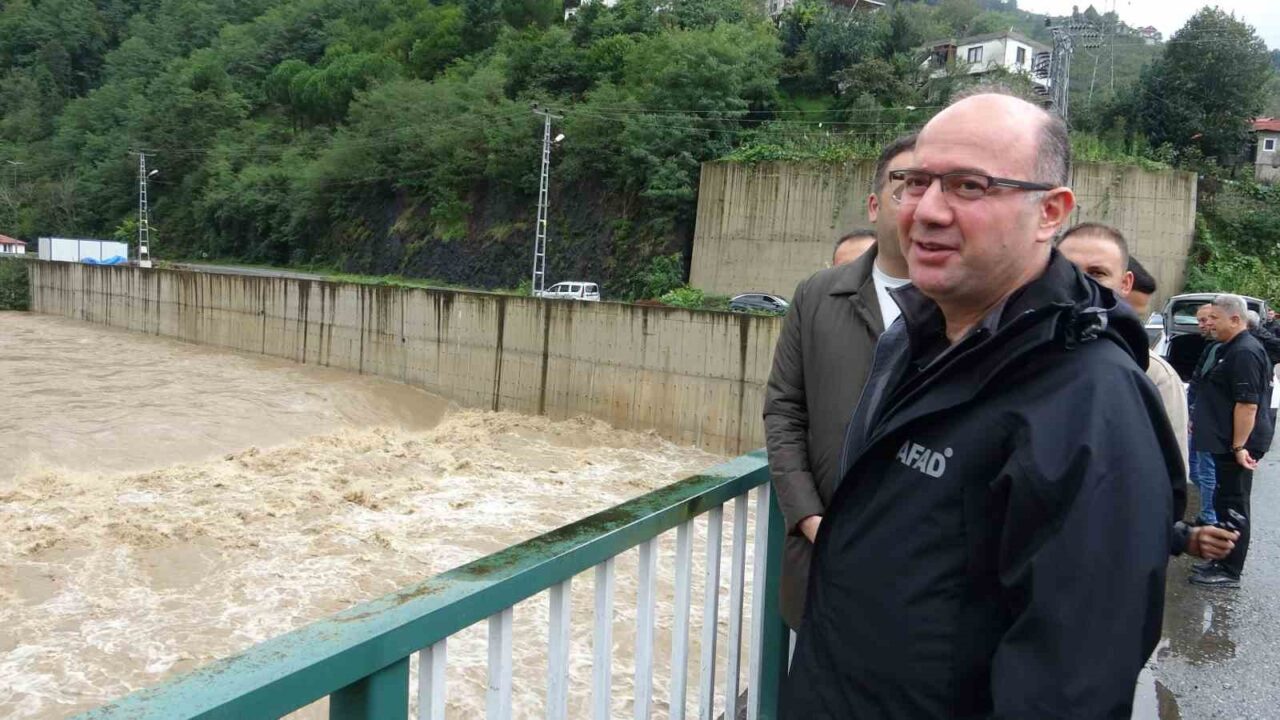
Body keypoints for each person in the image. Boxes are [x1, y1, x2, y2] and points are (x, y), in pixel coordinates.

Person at [786, 90, 1181, 718]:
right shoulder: (915, 337)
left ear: (1049, 212)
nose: (927, 212)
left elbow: (1068, 685)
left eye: (969, 186)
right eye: (916, 181)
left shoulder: (1091, 403)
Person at [764, 133, 915, 630]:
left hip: (919, 577)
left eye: (940, 186)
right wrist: (809, 519)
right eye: (906, 185)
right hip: (822, 562)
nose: (922, 201)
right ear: (875, 204)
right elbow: (784, 409)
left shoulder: (968, 305)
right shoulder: (818, 295)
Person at [1057, 224, 1236, 560]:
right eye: (1069, 270)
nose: (1082, 285)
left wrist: (1176, 537)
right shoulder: (1014, 357)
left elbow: (1163, 487)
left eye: (1097, 273)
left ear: (1123, 285)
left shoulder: (1151, 374)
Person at [1190, 294, 1274, 587]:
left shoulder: (1245, 352)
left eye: (1215, 318)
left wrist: (1239, 446)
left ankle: (1229, 570)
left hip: (1237, 445)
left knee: (1235, 505)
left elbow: (1247, 404)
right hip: (1226, 441)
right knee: (1225, 503)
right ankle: (1221, 560)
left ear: (1235, 319)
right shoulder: (1231, 348)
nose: (1209, 323)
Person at [1189, 304, 1220, 526]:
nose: (1202, 325)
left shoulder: (1221, 348)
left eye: (1205, 320)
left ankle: (1210, 517)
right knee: (1196, 469)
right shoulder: (1212, 346)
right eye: (1199, 321)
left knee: (1206, 471)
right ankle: (1211, 511)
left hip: (1207, 421)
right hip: (1199, 417)